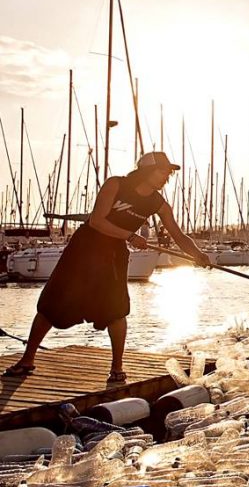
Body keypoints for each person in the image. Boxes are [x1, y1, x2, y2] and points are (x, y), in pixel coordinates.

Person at [4, 151, 211, 385]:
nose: (167, 177)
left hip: (114, 253)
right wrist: (130, 236)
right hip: (85, 247)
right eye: (163, 171)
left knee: (117, 308)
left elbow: (178, 235)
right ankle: (27, 360)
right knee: (53, 301)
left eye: (168, 173)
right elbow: (97, 221)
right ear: (147, 171)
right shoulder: (116, 184)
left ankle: (117, 368)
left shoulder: (158, 203)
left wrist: (198, 255)